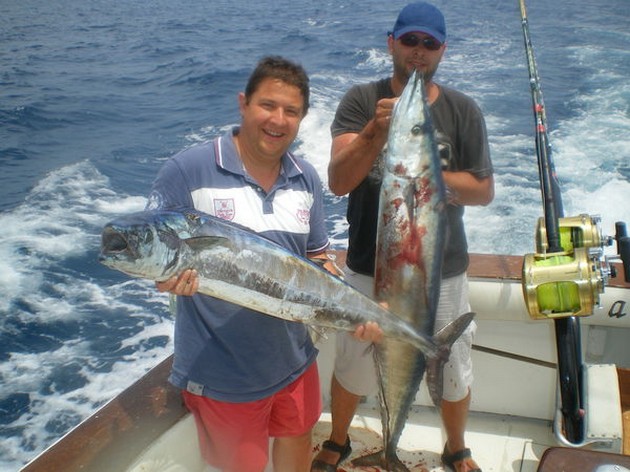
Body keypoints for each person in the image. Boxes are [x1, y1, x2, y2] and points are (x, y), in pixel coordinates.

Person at [146, 56, 382, 472]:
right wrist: (165, 281)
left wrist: (360, 311)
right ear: (243, 103)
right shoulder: (187, 170)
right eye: (267, 105)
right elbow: (156, 250)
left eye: (291, 111)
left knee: (295, 459)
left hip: (295, 362)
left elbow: (317, 260)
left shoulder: (305, 176)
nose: (277, 120)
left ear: (302, 118)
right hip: (222, 373)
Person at [311, 3, 494, 472]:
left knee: (451, 368)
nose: (419, 52)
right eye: (410, 41)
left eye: (429, 44)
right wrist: (375, 130)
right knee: (353, 362)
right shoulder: (360, 100)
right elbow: (338, 180)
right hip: (367, 268)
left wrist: (428, 178)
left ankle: (456, 446)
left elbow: (483, 190)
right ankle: (339, 440)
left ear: (442, 51)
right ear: (391, 42)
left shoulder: (462, 110)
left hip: (442, 271)